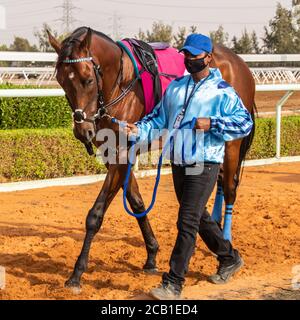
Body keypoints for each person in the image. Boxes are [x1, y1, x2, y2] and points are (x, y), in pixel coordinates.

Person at [125, 33, 253, 300]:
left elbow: (245, 123)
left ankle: (173, 282)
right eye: (186, 54)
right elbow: (157, 119)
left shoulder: (222, 92)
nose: (188, 59)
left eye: (194, 55)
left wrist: (213, 123)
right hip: (179, 161)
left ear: (207, 58)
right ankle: (229, 257)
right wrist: (137, 129)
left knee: (186, 221)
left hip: (206, 162)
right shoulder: (175, 88)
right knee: (196, 216)